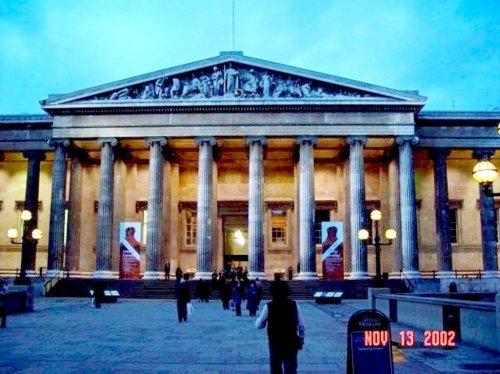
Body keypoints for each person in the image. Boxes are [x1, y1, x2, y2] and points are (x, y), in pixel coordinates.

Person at [255, 281, 305, 374]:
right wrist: (301, 338)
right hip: (291, 341)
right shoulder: (294, 305)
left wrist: (263, 322)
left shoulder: (269, 306)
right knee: (290, 368)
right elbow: (301, 325)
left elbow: (258, 325)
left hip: (275, 342)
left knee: (275, 367)